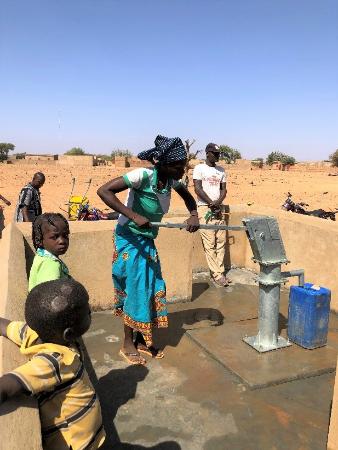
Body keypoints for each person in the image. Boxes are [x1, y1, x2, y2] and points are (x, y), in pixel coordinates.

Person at [97, 135, 200, 365]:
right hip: (128, 239)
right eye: (178, 166)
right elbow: (104, 191)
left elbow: (189, 199)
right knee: (135, 287)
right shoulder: (141, 176)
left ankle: (142, 339)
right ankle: (127, 343)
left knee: (150, 286)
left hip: (147, 240)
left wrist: (193, 215)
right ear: (163, 164)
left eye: (183, 165)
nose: (182, 170)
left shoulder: (172, 182)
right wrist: (132, 215)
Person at [0, 279, 106, 450]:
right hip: (78, 442)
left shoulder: (32, 334)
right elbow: (8, 385)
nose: (90, 312)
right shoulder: (56, 361)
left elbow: (6, 327)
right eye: (88, 313)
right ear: (69, 333)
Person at [193, 143, 230, 287]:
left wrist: (218, 203)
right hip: (204, 208)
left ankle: (219, 272)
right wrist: (210, 203)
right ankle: (217, 275)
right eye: (215, 153)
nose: (217, 156)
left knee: (221, 241)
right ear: (207, 153)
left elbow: (224, 190)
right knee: (209, 243)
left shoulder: (221, 170)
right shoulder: (199, 168)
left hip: (218, 209)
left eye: (218, 153)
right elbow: (197, 188)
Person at [29, 213, 70, 292]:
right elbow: (49, 295)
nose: (62, 241)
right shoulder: (51, 264)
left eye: (65, 236)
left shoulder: (42, 256)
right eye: (55, 237)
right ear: (39, 240)